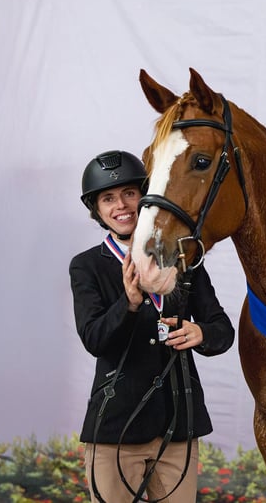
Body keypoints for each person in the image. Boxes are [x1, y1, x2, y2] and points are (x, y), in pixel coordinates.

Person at [69, 150, 235, 502]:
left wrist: (201, 333)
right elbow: (94, 339)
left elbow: (222, 329)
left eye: (129, 193)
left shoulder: (185, 257)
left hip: (178, 426)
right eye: (108, 198)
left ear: (144, 196)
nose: (121, 205)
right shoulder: (86, 266)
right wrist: (128, 304)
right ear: (96, 209)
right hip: (116, 429)